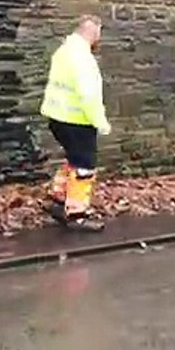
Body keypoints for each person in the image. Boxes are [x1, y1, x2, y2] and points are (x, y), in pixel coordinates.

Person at [40, 15, 111, 231]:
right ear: (93, 32)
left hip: (57, 117)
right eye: (99, 34)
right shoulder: (83, 59)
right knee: (84, 166)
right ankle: (77, 214)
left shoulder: (64, 51)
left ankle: (59, 199)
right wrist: (100, 122)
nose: (99, 39)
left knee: (73, 158)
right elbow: (88, 95)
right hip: (77, 120)